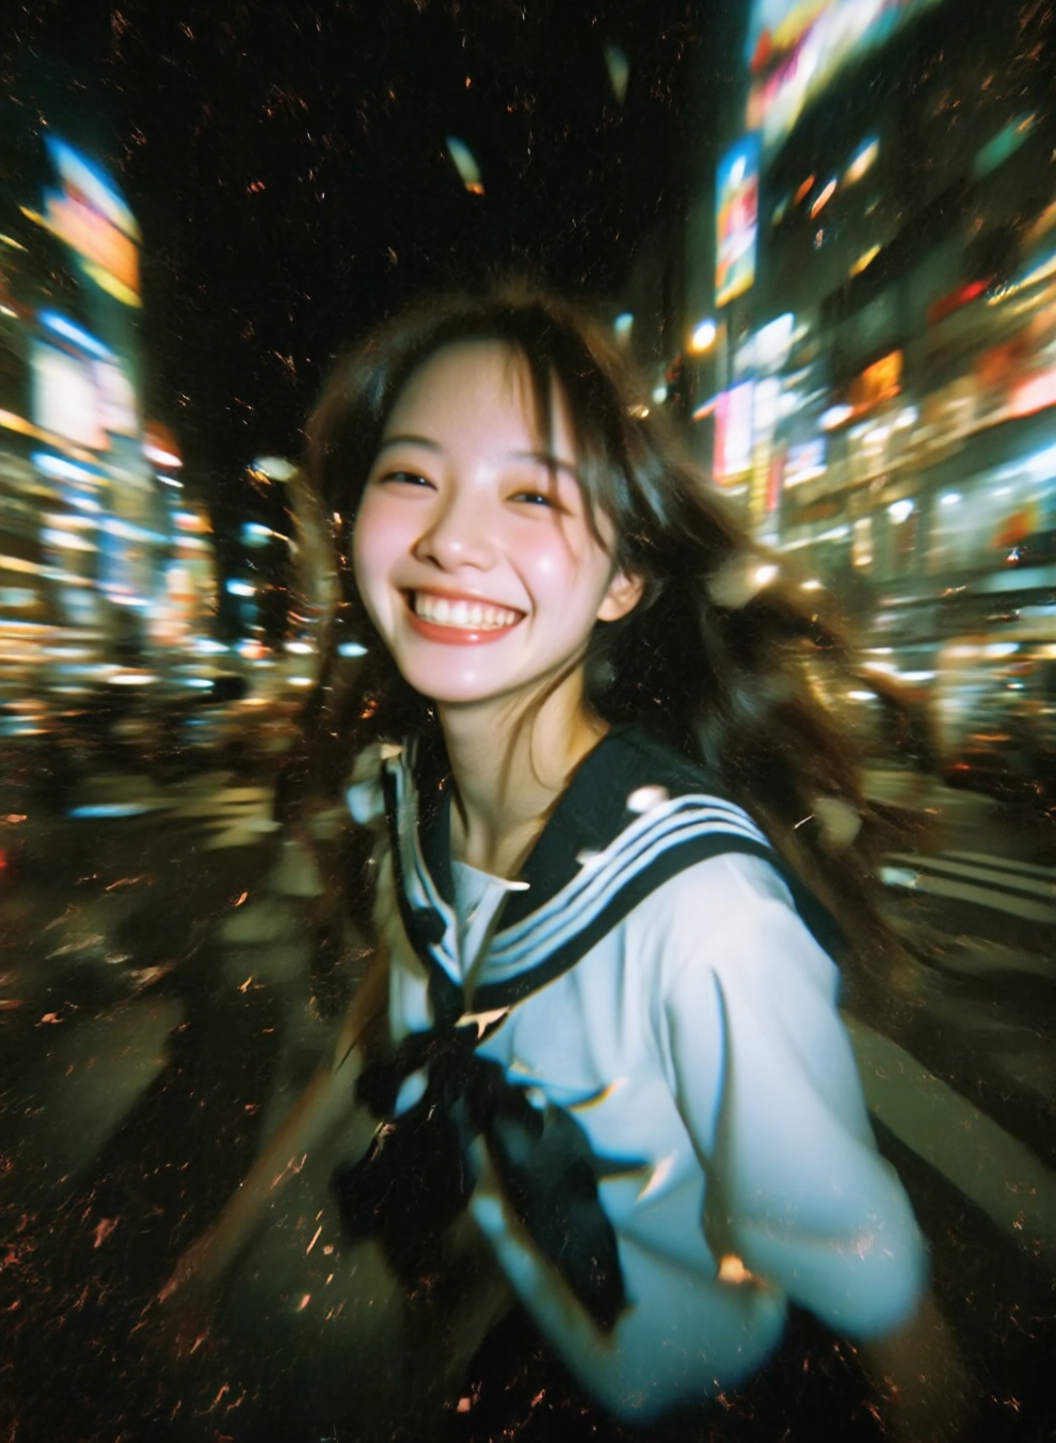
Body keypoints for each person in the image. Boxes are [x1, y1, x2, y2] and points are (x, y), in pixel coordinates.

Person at [162, 284, 965, 1438]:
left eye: (532, 491)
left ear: (626, 579)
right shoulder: (424, 808)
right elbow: (392, 1029)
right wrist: (224, 1248)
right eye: (410, 475)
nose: (450, 538)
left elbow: (886, 1308)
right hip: (532, 1364)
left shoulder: (704, 915)